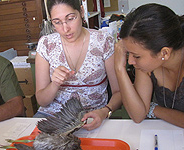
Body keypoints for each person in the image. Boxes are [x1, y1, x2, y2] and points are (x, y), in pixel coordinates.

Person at [115, 3, 184, 130]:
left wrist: (152, 109)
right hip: (173, 132)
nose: (131, 61)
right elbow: (137, 115)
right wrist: (119, 69)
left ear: (164, 52)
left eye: (136, 56)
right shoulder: (146, 63)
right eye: (128, 53)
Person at [34, 0, 122, 130]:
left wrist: (105, 111)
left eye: (70, 18)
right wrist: (54, 84)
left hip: (92, 117)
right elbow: (41, 100)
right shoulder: (46, 44)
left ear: (81, 12)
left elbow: (119, 92)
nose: (65, 29)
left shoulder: (103, 41)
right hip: (53, 117)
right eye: (57, 22)